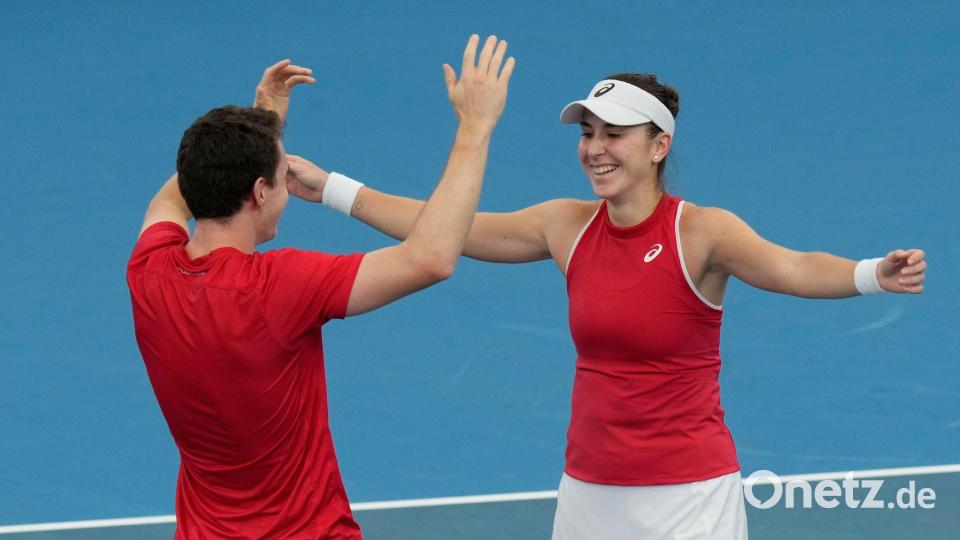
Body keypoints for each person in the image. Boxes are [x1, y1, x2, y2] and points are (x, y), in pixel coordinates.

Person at [293, 73, 928, 538]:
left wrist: (872, 273)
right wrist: (332, 190)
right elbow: (442, 229)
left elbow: (792, 267)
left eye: (614, 134)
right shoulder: (564, 226)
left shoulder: (703, 232)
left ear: (658, 147)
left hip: (688, 497)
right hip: (590, 491)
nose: (595, 147)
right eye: (589, 132)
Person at [126, 35, 515, 539]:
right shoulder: (279, 286)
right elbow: (431, 258)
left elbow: (179, 190)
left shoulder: (148, 270)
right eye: (280, 172)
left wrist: (258, 122)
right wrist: (475, 127)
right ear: (260, 192)